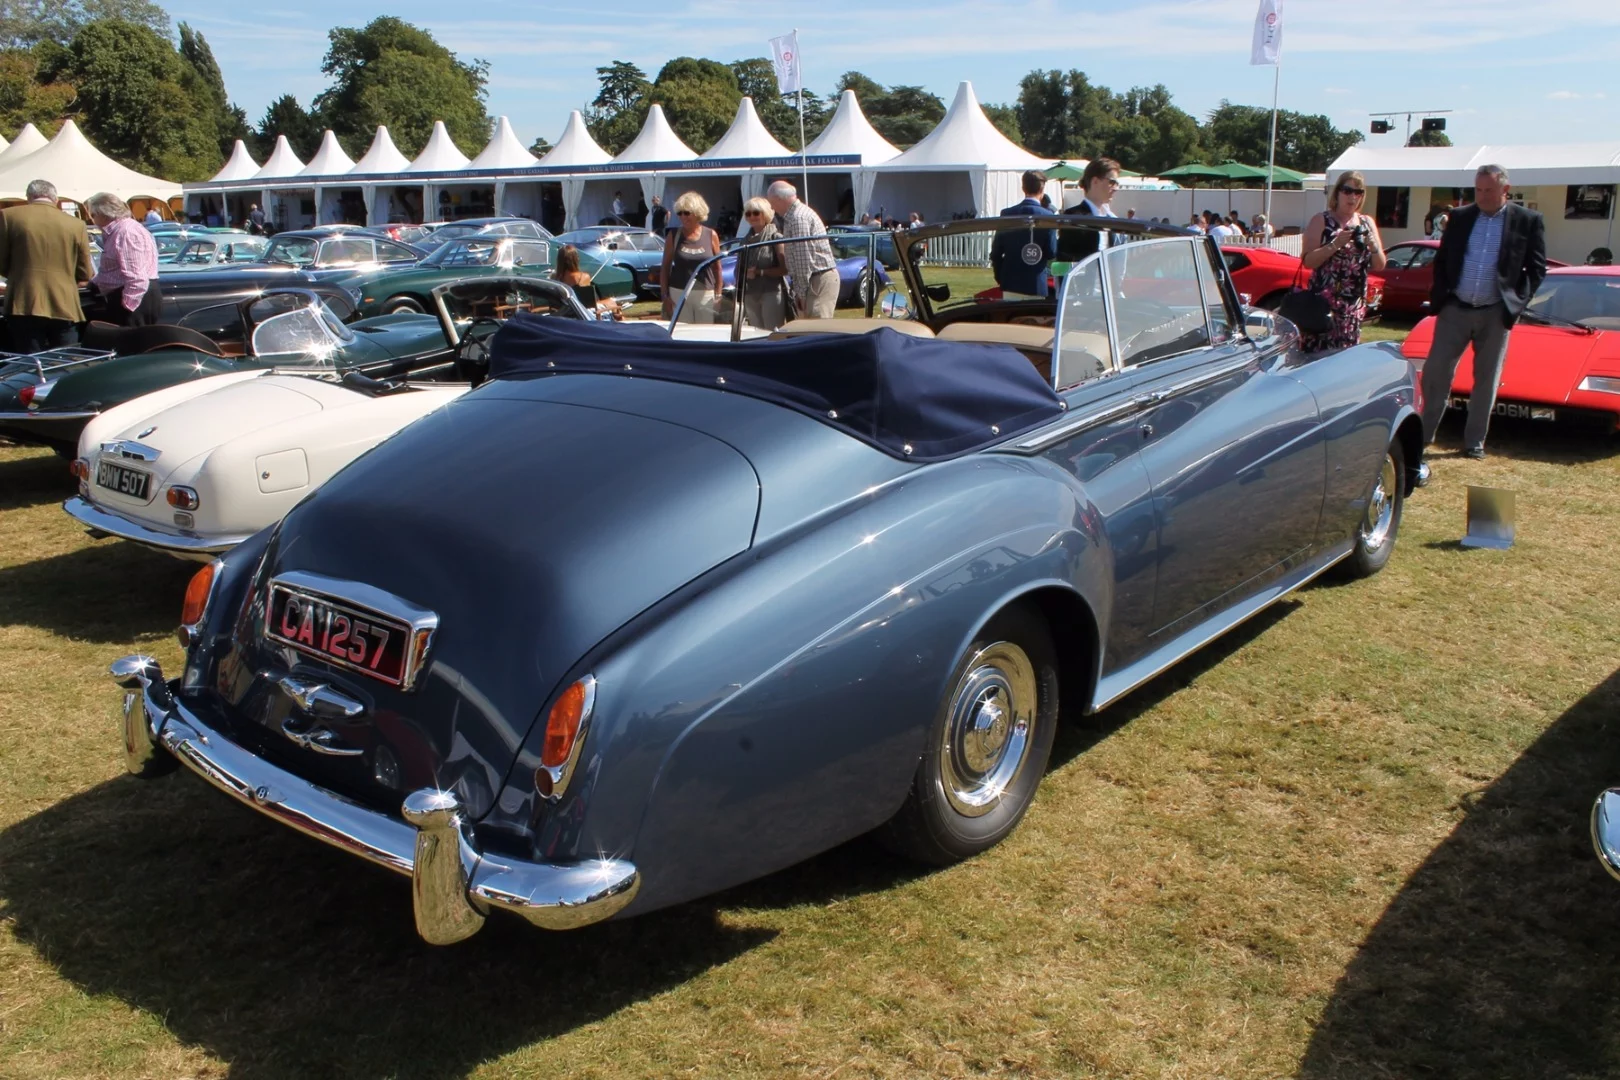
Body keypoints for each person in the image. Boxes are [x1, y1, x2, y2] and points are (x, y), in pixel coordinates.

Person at [1419, 164, 1547, 460]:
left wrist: (1515, 304)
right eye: (1478, 190)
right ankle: (1424, 436)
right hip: (1455, 307)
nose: (1482, 196)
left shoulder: (1527, 221)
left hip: (1495, 312)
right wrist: (1441, 293)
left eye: (1488, 190)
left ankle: (1474, 443)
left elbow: (1537, 269)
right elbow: (1443, 259)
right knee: (1436, 373)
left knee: (1486, 379)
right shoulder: (1462, 217)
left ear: (1505, 189)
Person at [0, 179, 95, 352]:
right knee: (66, 361)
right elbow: (85, 272)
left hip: (23, 301)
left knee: (31, 363)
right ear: (55, 199)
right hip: (65, 301)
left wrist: (19, 276)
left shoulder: (8, 216)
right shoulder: (76, 224)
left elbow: (2, 261)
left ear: (29, 197)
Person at [1299, 170, 1388, 353]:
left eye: (1358, 192)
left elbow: (1380, 264)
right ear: (1337, 192)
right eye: (1347, 191)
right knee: (1319, 358)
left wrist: (1373, 246)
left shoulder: (1366, 223)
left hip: (1352, 308)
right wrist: (1334, 245)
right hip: (1323, 306)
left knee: (1346, 358)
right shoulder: (1322, 220)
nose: (1352, 197)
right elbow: (1308, 261)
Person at [766, 180, 838, 319]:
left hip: (817, 279)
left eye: (772, 203)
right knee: (808, 330)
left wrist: (801, 293)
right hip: (813, 279)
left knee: (816, 331)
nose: (772, 208)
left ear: (779, 199)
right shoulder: (794, 216)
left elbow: (803, 260)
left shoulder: (798, 218)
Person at [87, 192, 161, 327]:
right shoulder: (118, 231)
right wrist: (93, 283)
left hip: (135, 298)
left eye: (93, 215)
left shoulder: (126, 232)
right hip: (132, 295)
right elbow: (113, 269)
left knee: (133, 344)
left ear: (104, 213)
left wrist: (127, 304)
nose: (93, 220)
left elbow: (136, 276)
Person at [990, 169, 1057, 299]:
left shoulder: (1007, 214)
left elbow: (996, 252)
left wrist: (1001, 277)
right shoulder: (1048, 216)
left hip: (1010, 282)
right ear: (1042, 190)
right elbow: (1051, 252)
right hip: (1036, 283)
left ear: (1023, 188)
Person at [660, 191, 722, 323]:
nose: (683, 217)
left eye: (687, 213)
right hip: (678, 292)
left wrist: (718, 294)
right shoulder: (673, 235)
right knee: (682, 334)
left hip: (705, 293)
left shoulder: (711, 234)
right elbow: (665, 267)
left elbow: (717, 268)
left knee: (705, 336)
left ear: (698, 212)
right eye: (680, 213)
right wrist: (665, 295)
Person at [1056, 158, 1121, 264]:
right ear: (1095, 181)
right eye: (1112, 182)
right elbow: (1064, 261)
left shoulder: (1112, 218)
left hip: (1107, 280)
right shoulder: (1073, 217)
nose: (1116, 188)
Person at [738, 196, 789, 330]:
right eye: (748, 214)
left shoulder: (775, 237)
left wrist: (760, 272)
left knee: (773, 333)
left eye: (756, 213)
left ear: (765, 214)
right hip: (750, 294)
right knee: (755, 334)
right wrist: (744, 273)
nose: (751, 217)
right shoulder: (745, 241)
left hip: (771, 293)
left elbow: (784, 269)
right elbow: (738, 270)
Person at [555, 244, 620, 318]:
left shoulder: (554, 277)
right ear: (575, 259)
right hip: (580, 311)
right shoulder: (583, 277)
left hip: (563, 310)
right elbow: (588, 303)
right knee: (611, 302)